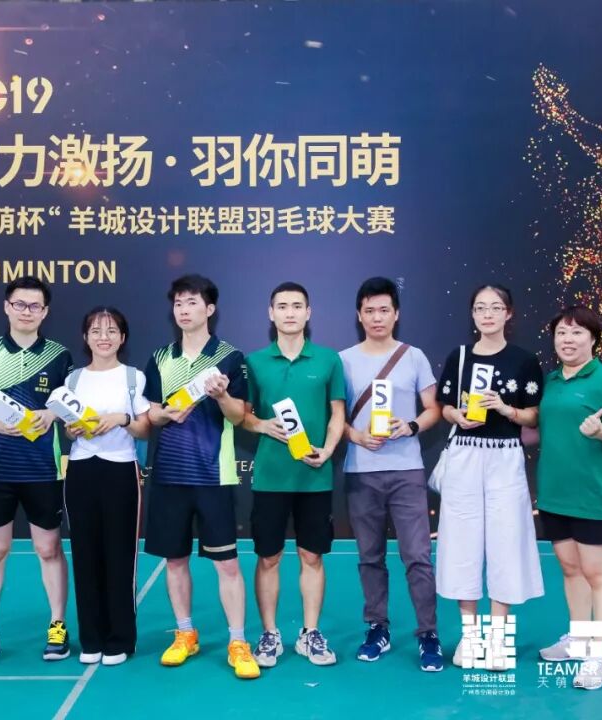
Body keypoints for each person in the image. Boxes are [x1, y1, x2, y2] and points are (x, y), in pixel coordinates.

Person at [0, 276, 74, 667]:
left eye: (34, 306)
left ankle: (57, 624)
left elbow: (73, 405)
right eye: (19, 304)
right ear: (7, 307)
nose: (26, 312)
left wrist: (51, 413)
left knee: (48, 549)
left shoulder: (59, 355)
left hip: (43, 469)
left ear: (45, 312)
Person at [143, 274, 260, 680]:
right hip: (169, 474)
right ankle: (185, 634)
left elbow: (240, 416)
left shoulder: (229, 357)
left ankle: (238, 641)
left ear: (209, 309)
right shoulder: (160, 358)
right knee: (175, 560)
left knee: (226, 563)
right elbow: (150, 414)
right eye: (178, 303)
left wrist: (222, 395)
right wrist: (164, 414)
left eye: (192, 302)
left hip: (214, 474)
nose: (183, 309)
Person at [435, 285, 545, 670]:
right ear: (472, 314)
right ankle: (470, 637)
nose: (487, 314)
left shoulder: (524, 360)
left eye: (495, 308)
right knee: (461, 542)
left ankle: (498, 640)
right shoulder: (459, 357)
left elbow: (534, 415)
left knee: (506, 542)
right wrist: (456, 416)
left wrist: (506, 409)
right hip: (465, 455)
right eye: (480, 308)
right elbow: (444, 406)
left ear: (508, 313)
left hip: (505, 457)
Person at [339, 277, 444, 671]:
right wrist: (356, 436)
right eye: (369, 310)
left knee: (418, 556)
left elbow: (434, 408)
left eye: (384, 310)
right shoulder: (343, 360)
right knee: (370, 556)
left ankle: (428, 633)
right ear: (359, 315)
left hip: (406, 471)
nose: (377, 317)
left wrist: (411, 426)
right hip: (361, 472)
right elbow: (334, 417)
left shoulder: (413, 357)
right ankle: (376, 627)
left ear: (396, 314)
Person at [536, 305, 602, 691]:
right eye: (561, 333)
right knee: (571, 570)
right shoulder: (551, 381)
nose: (568, 339)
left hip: (595, 496)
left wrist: (601, 432)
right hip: (555, 495)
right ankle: (579, 640)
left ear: (593, 339)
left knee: (600, 575)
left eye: (577, 332)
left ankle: (599, 657)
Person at [244, 282, 346, 668]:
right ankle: (270, 634)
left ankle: (310, 633)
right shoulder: (255, 362)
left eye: (297, 306)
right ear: (270, 313)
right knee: (268, 557)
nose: (290, 312)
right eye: (282, 306)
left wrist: (329, 450)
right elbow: (243, 416)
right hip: (270, 477)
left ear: (309, 312)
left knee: (311, 555)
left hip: (314, 476)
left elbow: (338, 413)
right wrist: (261, 425)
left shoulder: (328, 360)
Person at [62, 306, 151, 666]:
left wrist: (122, 419)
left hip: (120, 470)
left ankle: (120, 639)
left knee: (119, 555)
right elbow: (67, 428)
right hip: (81, 470)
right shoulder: (72, 380)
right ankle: (91, 638)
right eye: (96, 331)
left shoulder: (133, 378)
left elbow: (145, 428)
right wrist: (72, 429)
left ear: (122, 337)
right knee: (85, 555)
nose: (104, 337)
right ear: (85, 337)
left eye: (112, 330)